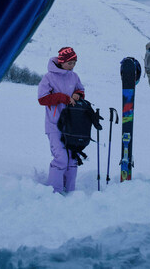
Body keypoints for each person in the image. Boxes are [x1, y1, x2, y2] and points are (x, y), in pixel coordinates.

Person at [37, 47, 85, 194]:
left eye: (75, 63)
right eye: (70, 63)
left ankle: (70, 191)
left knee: (72, 159)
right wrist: (63, 97)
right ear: (62, 62)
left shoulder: (74, 76)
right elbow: (42, 99)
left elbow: (81, 90)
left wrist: (77, 95)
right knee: (61, 158)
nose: (73, 66)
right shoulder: (48, 77)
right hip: (54, 125)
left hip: (72, 126)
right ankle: (55, 192)